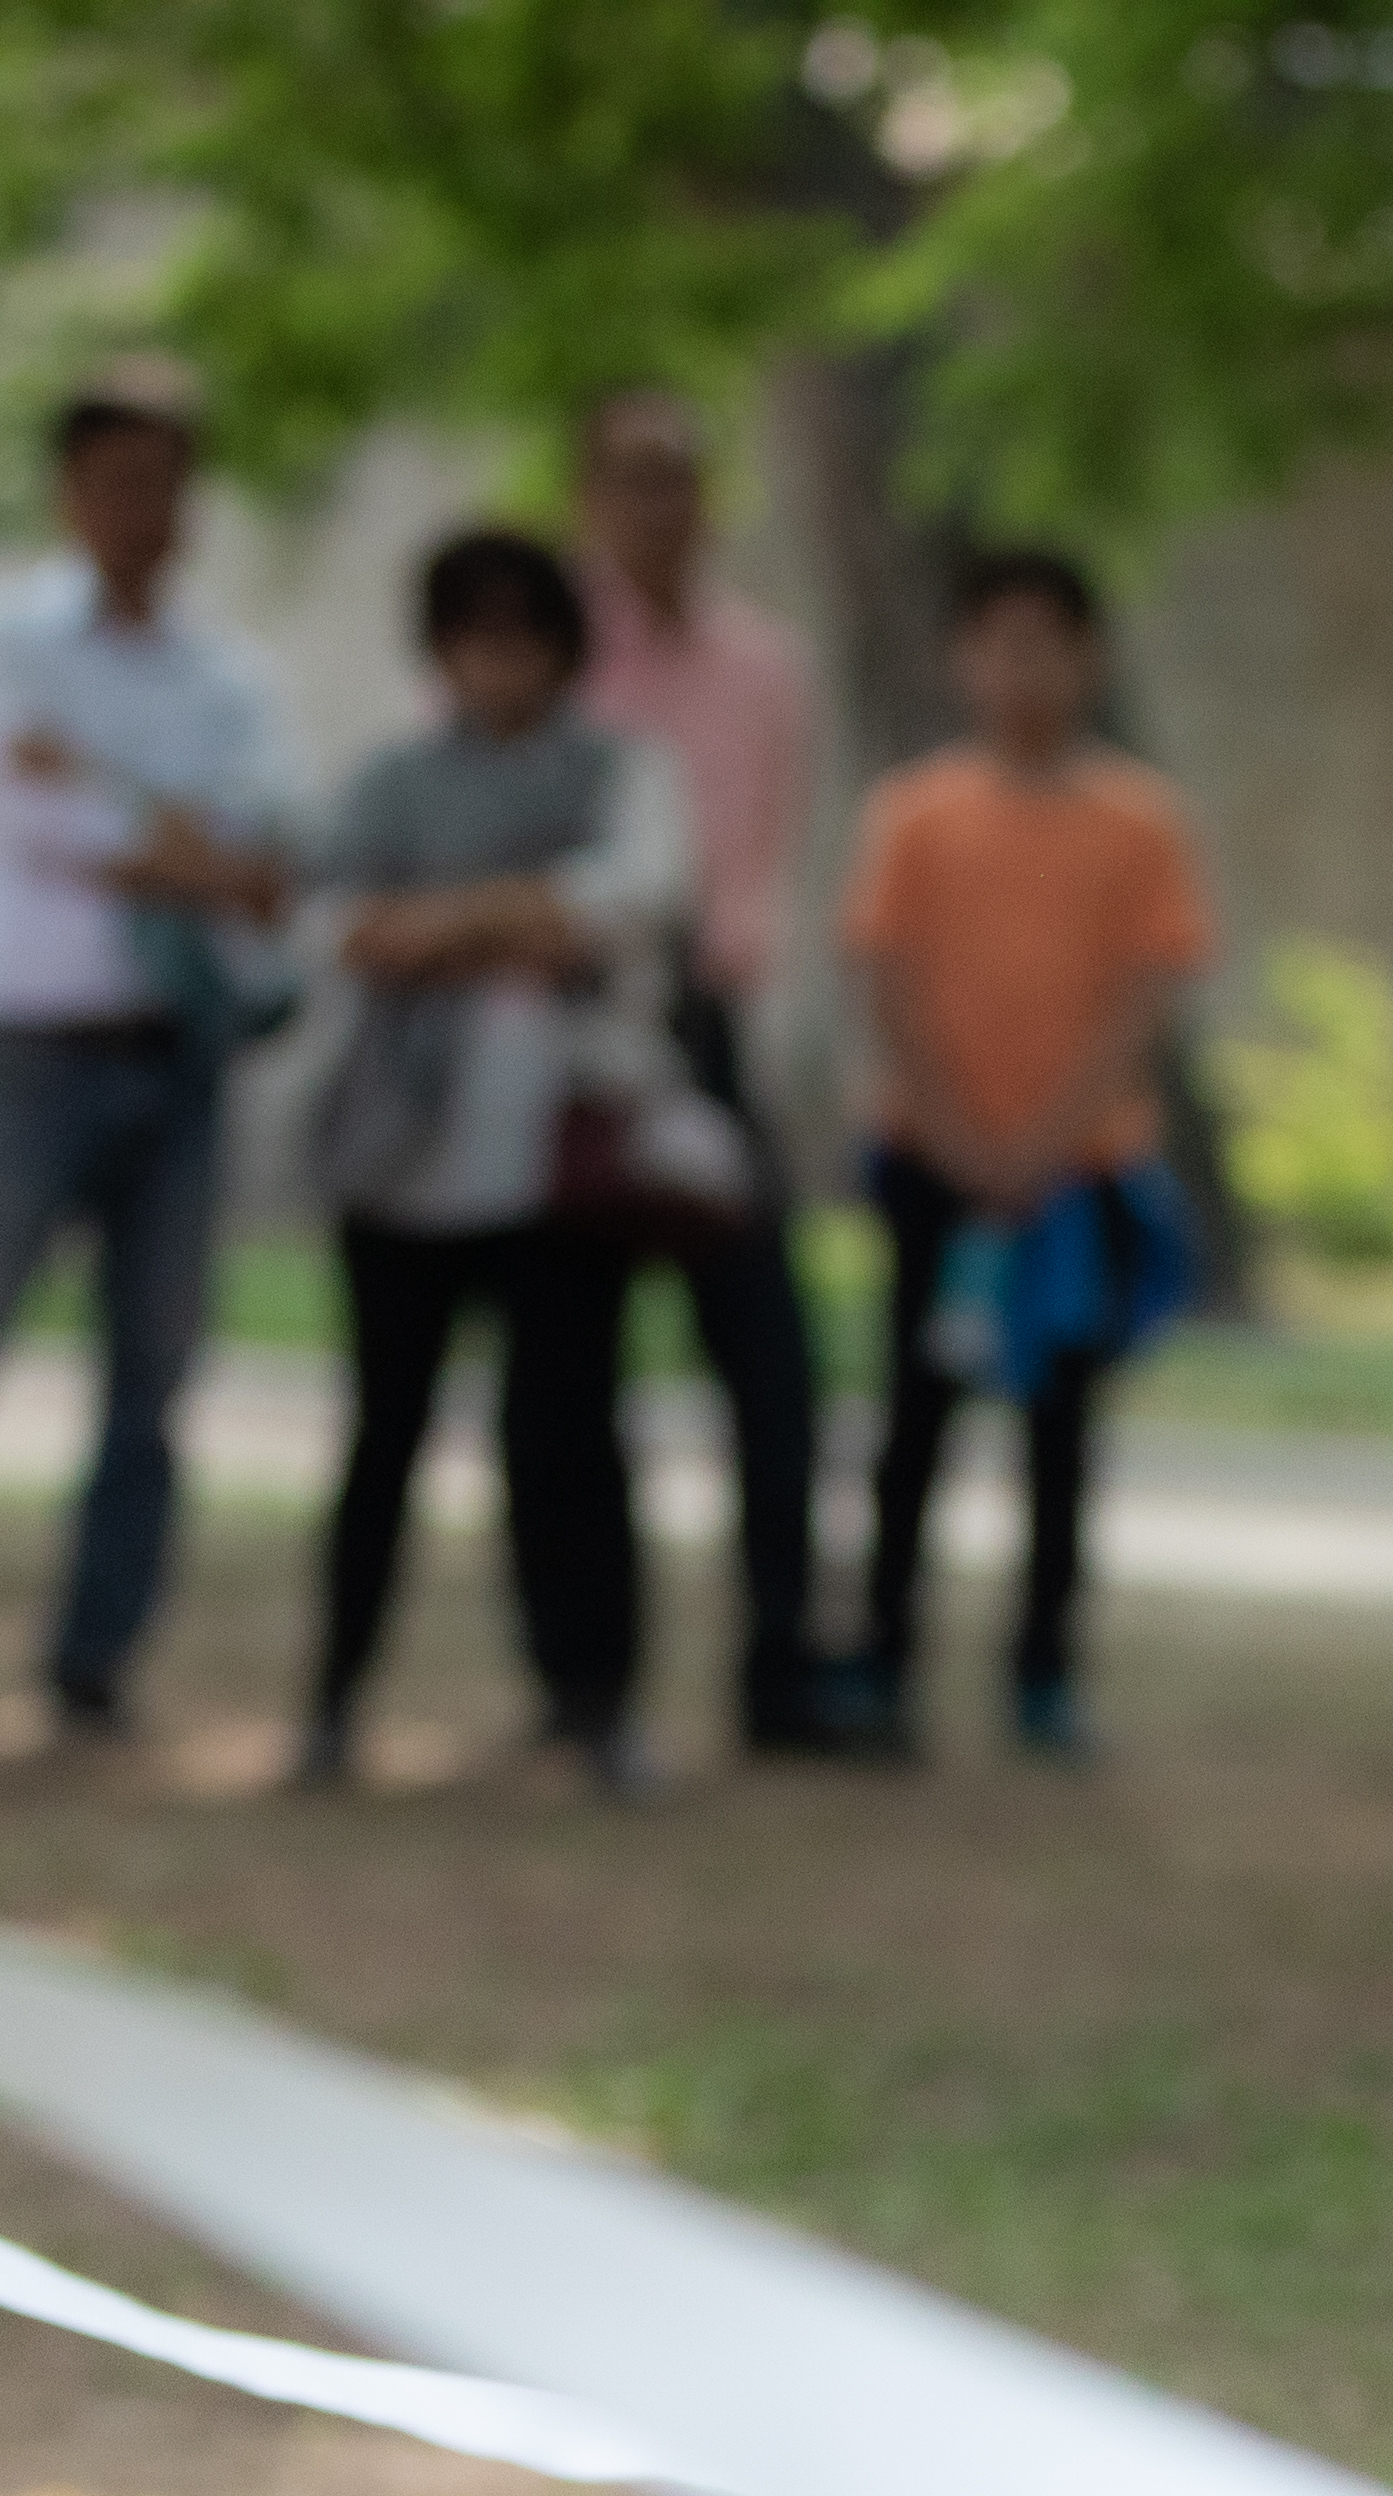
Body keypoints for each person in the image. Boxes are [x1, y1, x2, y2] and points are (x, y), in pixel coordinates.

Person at [0, 361, 290, 1750]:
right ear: (70, 490)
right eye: (118, 478)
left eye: (166, 481)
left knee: (153, 1374)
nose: (144, 508)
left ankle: (95, 1662)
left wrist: (122, 809)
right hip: (25, 1049)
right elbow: (24, 811)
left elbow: (262, 837)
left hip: (174, 1046)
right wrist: (177, 840)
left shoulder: (227, 675)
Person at [293, 525, 698, 1797]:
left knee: (571, 1437)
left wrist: (445, 917)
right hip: (402, 1157)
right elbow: (335, 926)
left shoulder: (618, 771)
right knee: (385, 1434)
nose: (498, 664)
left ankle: (594, 1698)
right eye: (473, 635)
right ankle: (337, 1693)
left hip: (560, 1160)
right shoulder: (391, 780)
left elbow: (624, 901)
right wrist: (503, 914)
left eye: (522, 636)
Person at [836, 542, 1209, 1768]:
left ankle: (1044, 1673)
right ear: (962, 658)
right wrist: (958, 1136)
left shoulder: (1137, 823)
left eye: (1048, 640)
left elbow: (1142, 997)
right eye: (999, 640)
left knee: (1060, 1434)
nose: (1023, 667)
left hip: (1078, 1177)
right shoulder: (914, 817)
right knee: (913, 1424)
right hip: (931, 1169)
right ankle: (884, 1656)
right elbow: (886, 983)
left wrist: (1043, 1145)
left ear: (1088, 658)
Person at [568, 385, 845, 1760]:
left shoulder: (765, 670)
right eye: (628, 477)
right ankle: (589, 1677)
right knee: (571, 1369)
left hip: (713, 1020)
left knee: (774, 1362)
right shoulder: (554, 655)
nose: (655, 504)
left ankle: (781, 1664)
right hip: (579, 1016)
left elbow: (766, 865)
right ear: (588, 498)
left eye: (677, 475)